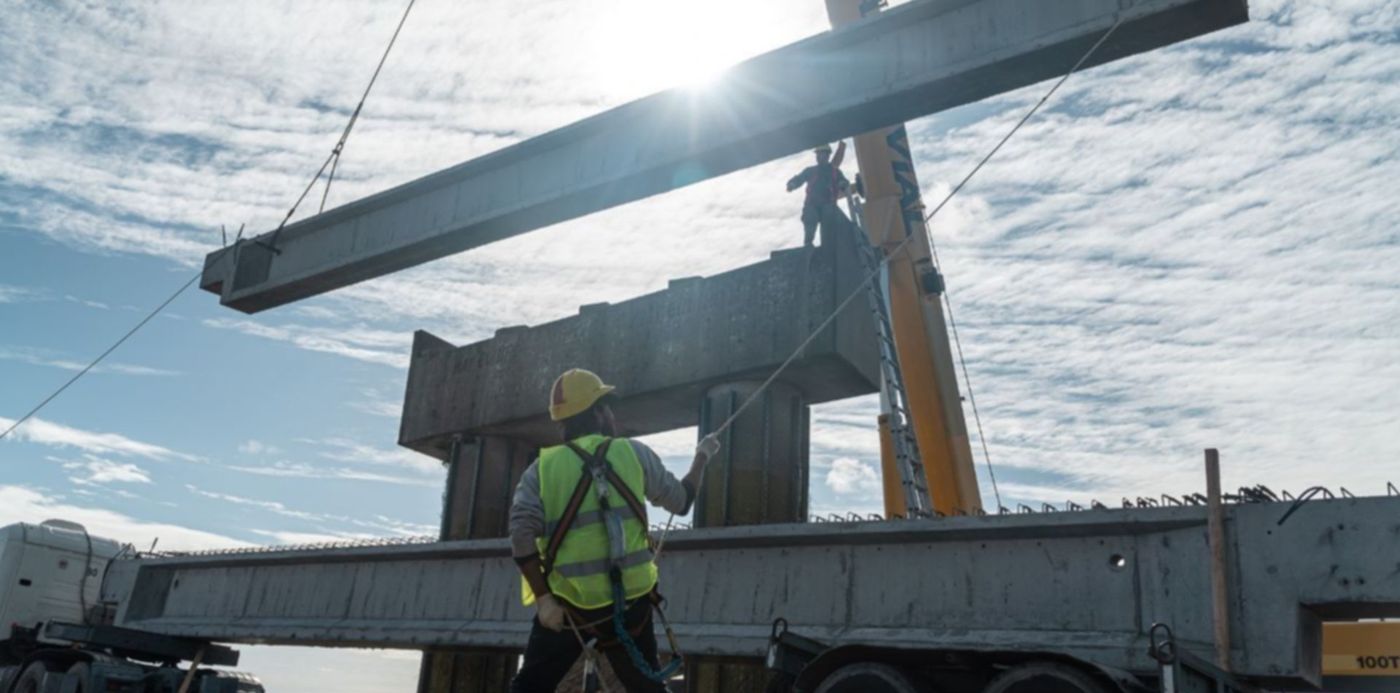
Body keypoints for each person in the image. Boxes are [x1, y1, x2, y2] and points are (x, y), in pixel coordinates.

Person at [508, 368, 722, 692]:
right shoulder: (634, 454)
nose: (612, 415)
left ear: (563, 420)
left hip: (568, 609)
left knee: (529, 688)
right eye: (608, 407)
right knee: (647, 687)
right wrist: (702, 457)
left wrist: (543, 600)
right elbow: (681, 501)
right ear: (598, 412)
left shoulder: (541, 469)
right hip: (631, 608)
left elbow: (521, 534)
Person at [786, 141, 850, 247]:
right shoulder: (811, 171)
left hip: (828, 205)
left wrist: (843, 184)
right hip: (812, 205)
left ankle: (828, 245)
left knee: (829, 222)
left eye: (821, 154)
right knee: (810, 218)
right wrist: (792, 184)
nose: (819, 157)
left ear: (827, 155)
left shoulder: (834, 171)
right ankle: (808, 244)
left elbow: (842, 180)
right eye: (818, 154)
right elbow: (800, 178)